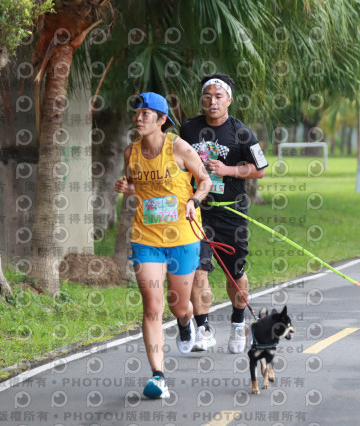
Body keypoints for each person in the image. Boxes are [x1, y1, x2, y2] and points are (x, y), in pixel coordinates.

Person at [115, 92, 212, 399]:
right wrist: (127, 188)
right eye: (137, 113)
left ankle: (186, 321)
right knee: (152, 306)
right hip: (146, 237)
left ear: (161, 120)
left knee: (177, 303)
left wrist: (194, 201)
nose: (139, 117)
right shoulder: (130, 152)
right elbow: (141, 187)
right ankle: (158, 376)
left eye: (146, 113)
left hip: (182, 237)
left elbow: (205, 180)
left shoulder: (179, 147)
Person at [180, 73, 268, 353]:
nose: (213, 101)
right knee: (198, 269)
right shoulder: (188, 129)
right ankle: (204, 328)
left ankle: (238, 322)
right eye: (207, 96)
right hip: (198, 211)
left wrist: (228, 170)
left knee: (235, 273)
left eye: (219, 96)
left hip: (232, 211)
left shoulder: (242, 131)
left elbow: (260, 169)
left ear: (229, 100)